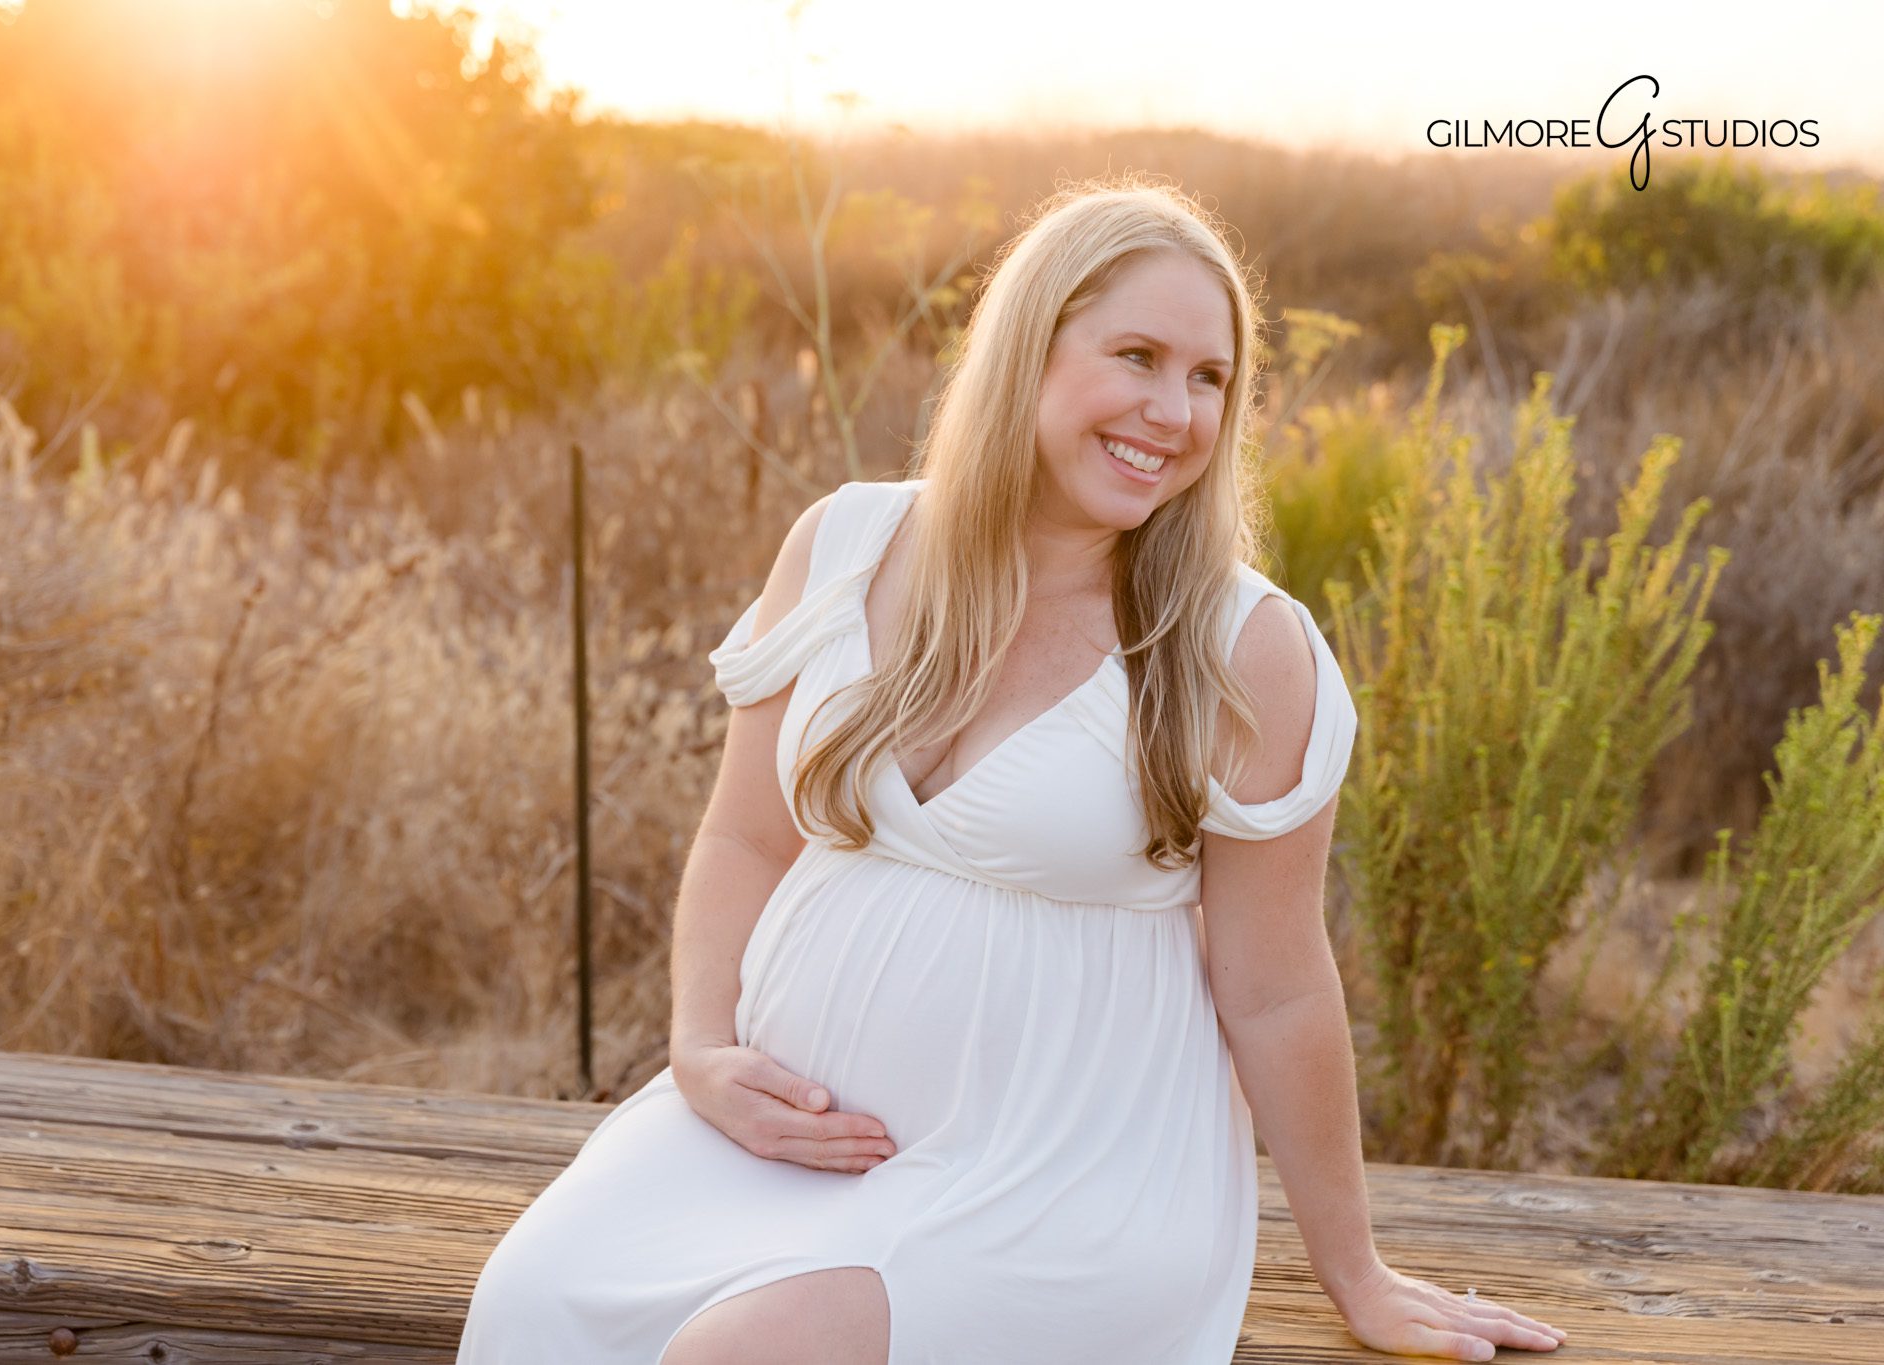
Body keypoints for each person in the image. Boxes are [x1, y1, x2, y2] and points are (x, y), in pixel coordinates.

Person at [456, 175, 1570, 1364]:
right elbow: (744, 838)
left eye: (1209, 380)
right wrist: (698, 1048)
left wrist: (1355, 1273)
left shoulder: (1242, 645)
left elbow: (1276, 986)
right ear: (1027, 347)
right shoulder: (844, 544)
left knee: (739, 1354)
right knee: (532, 1311)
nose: (1174, 412)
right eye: (1135, 355)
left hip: (1062, 1173)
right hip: (780, 1139)